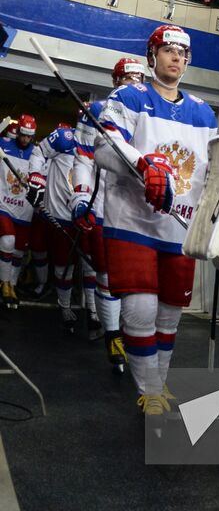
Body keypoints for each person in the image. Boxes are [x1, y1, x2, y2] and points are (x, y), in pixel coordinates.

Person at [95, 26, 217, 416]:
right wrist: (143, 163)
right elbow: (105, 146)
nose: (176, 57)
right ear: (153, 56)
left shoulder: (202, 111)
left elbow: (211, 168)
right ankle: (148, 390)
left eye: (183, 52)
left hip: (179, 225)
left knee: (169, 315)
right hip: (133, 223)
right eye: (168, 50)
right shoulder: (129, 96)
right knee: (142, 308)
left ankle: (159, 383)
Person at [71, 57, 145, 369]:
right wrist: (81, 196)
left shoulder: (149, 107)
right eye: (127, 78)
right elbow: (84, 159)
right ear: (116, 81)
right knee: (106, 274)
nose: (133, 83)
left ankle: (134, 333)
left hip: (140, 207)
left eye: (138, 78)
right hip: (104, 204)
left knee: (139, 282)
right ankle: (112, 334)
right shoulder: (98, 110)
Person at [29, 123, 100, 335]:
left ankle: (93, 311)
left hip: (88, 212)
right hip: (61, 215)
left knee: (91, 265)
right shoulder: (64, 137)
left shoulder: (104, 143)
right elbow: (38, 152)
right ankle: (65, 306)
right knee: (64, 266)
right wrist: (36, 175)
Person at [0, 115, 37, 309]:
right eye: (23, 135)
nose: (25, 140)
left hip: (25, 209)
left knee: (19, 252)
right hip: (4, 204)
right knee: (8, 241)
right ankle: (4, 283)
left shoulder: (38, 153)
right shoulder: (3, 144)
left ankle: (12, 286)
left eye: (28, 136)